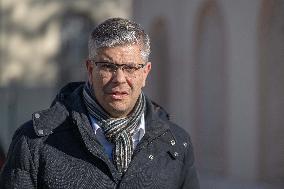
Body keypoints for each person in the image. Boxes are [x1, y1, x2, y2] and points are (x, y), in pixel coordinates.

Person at [0, 18, 199, 189]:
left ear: (145, 72)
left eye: (130, 68)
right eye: (107, 66)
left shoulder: (176, 144)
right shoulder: (33, 142)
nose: (119, 78)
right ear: (90, 69)